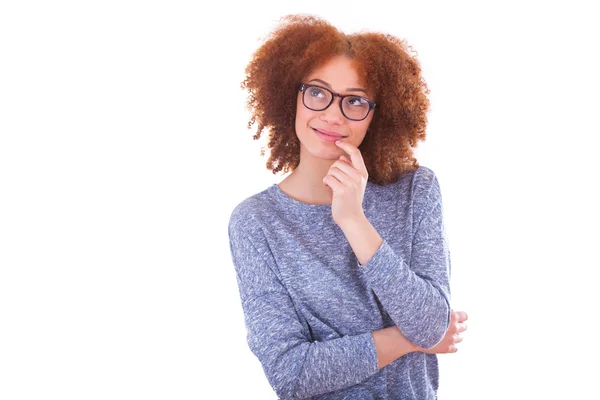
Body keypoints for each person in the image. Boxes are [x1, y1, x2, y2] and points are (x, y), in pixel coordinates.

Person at [228, 14, 468, 399]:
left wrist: (354, 220)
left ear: (377, 114)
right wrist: (404, 340)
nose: (333, 114)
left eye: (355, 101)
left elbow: (431, 326)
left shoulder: (415, 191)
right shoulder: (257, 222)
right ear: (291, 95)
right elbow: (292, 374)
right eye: (318, 92)